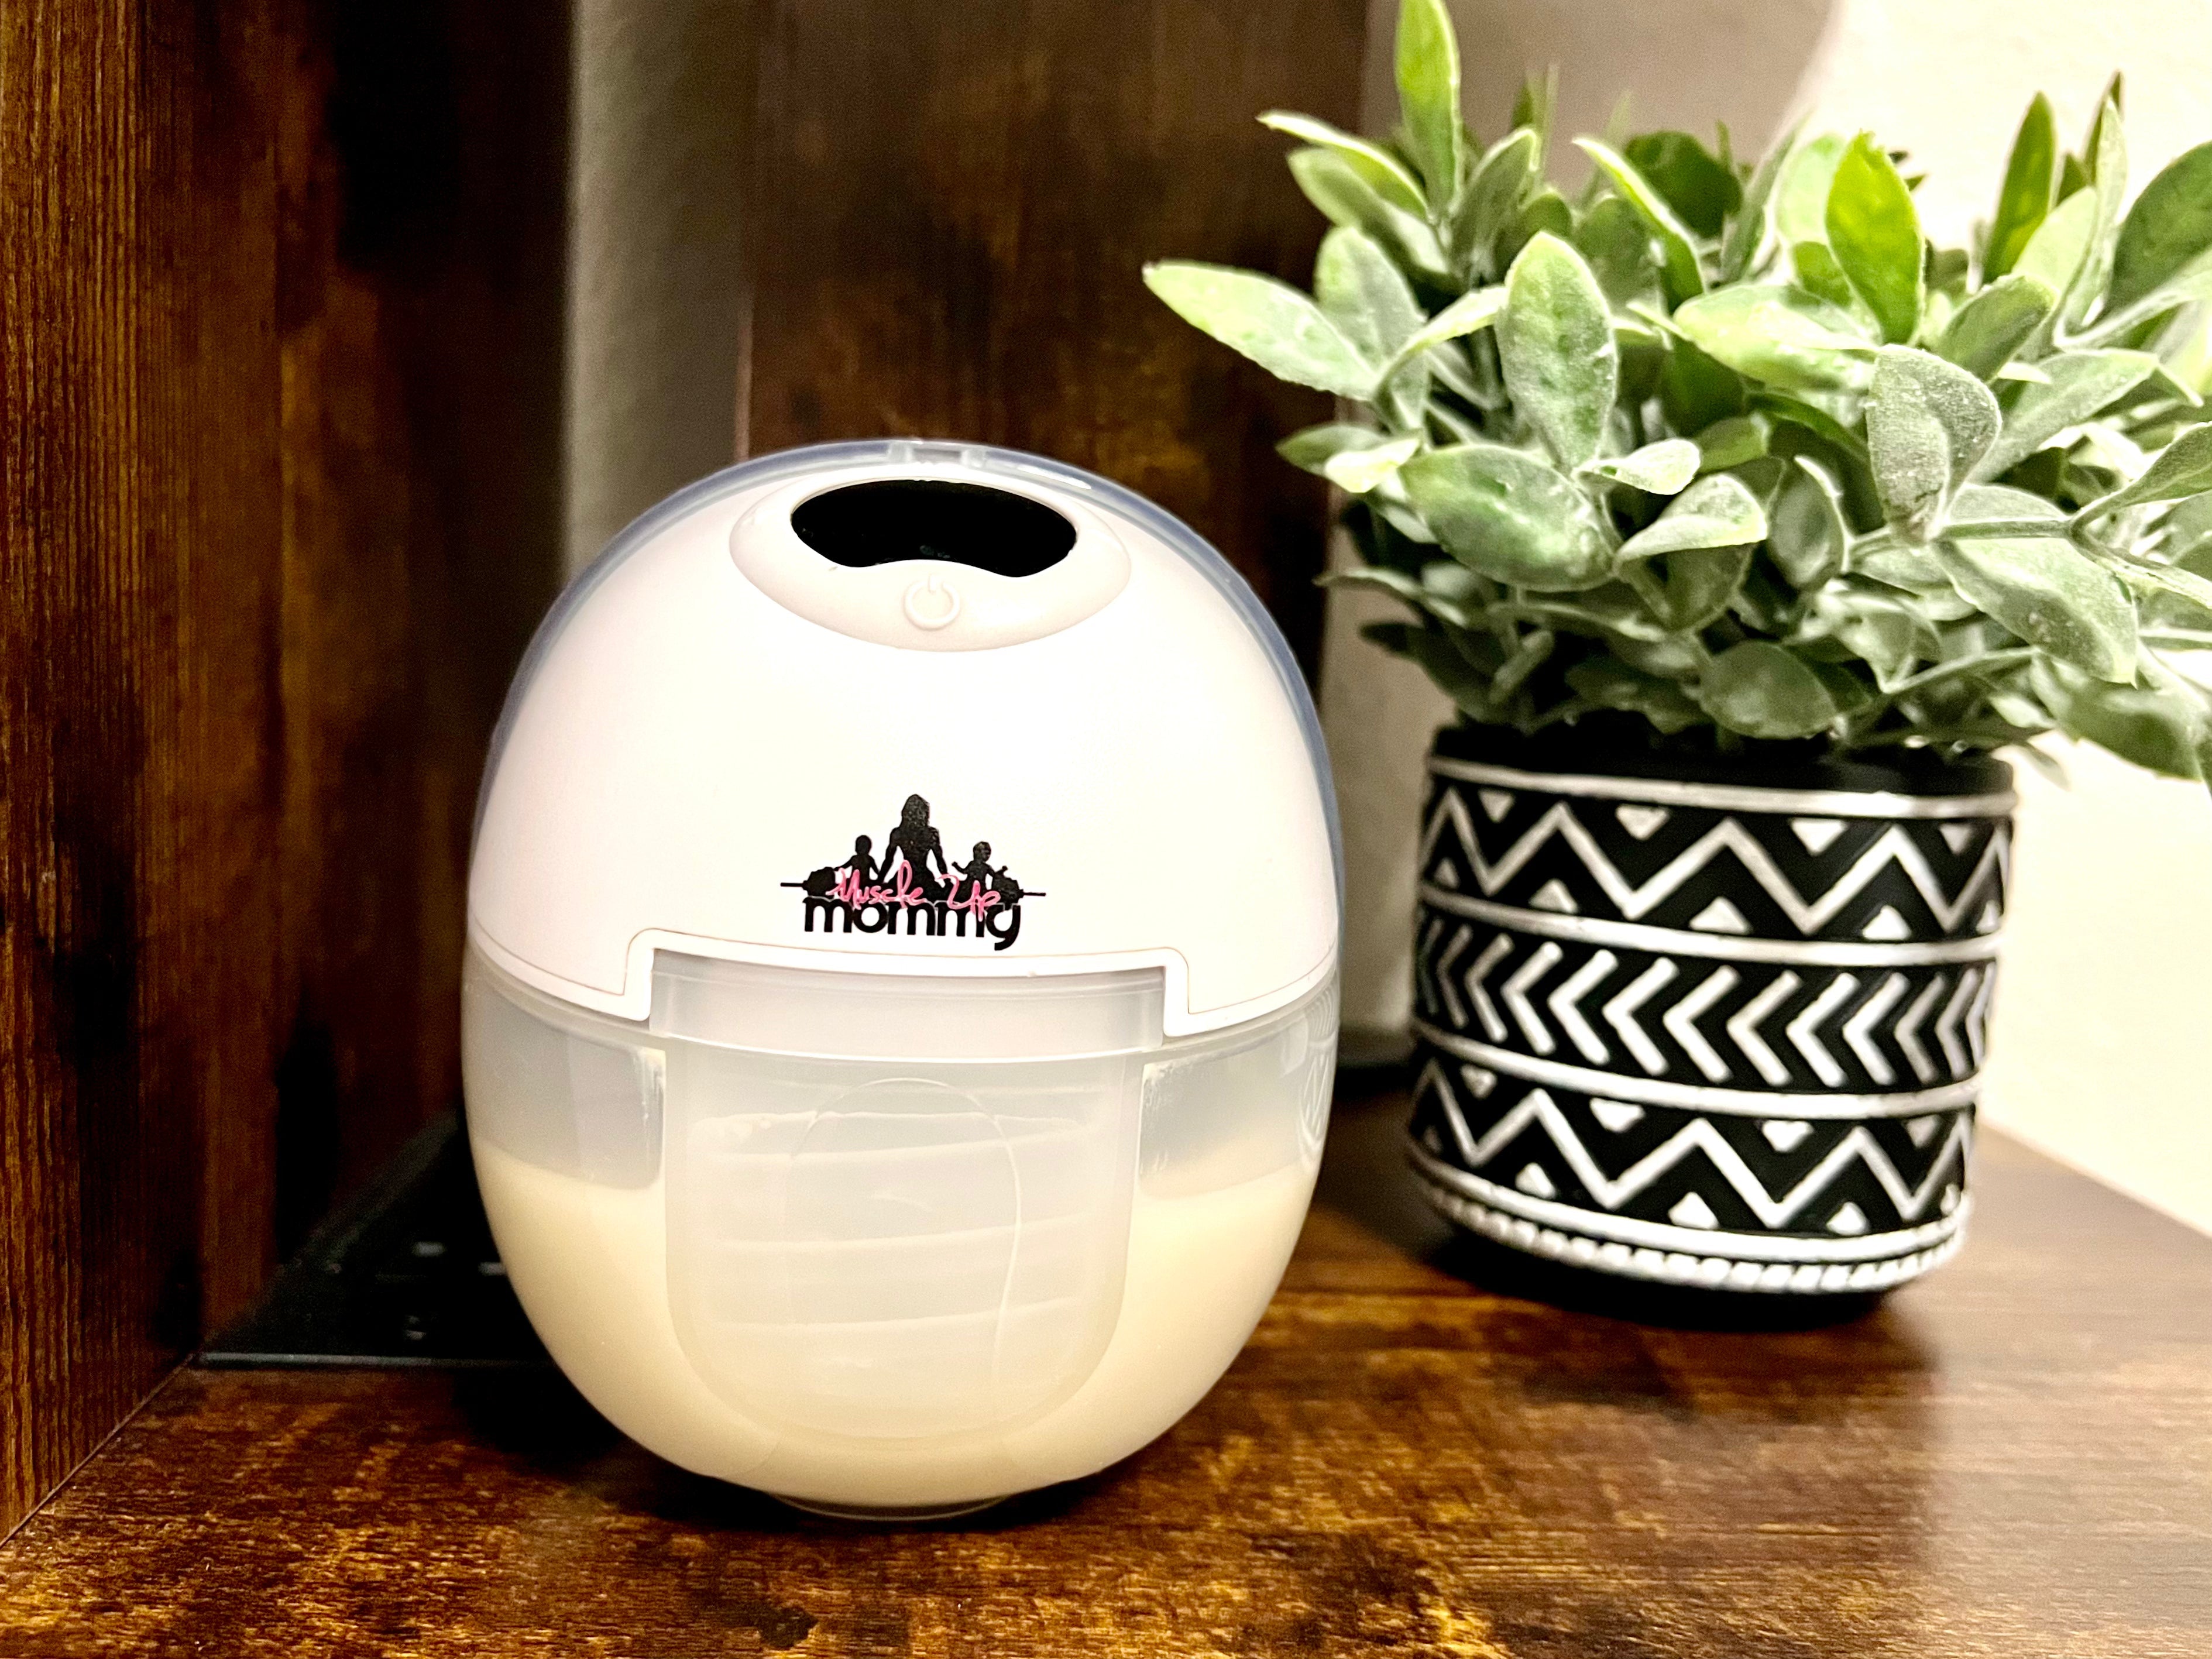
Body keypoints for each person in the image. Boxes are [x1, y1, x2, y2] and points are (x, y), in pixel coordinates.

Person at [881, 794, 949, 902]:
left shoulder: (898, 833)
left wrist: (879, 880)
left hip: (906, 877)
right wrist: (947, 882)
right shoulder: (931, 834)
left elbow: (888, 860)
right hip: (920, 876)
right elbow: (940, 861)